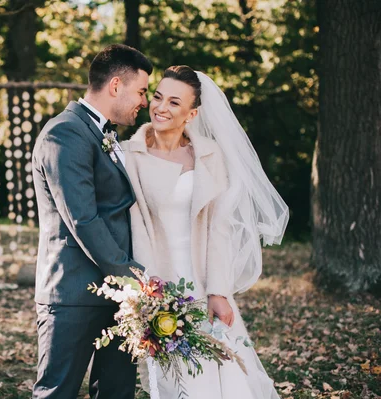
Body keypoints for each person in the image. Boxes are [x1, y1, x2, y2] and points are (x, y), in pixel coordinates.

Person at [121, 65, 289, 398]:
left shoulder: (210, 155)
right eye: (156, 97)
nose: (160, 108)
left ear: (192, 113)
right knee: (177, 380)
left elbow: (219, 227)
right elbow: (133, 227)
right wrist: (146, 293)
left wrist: (219, 291)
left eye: (173, 102)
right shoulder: (129, 155)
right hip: (159, 283)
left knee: (224, 371)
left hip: (204, 280)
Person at [31, 44, 153, 399]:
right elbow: (82, 218)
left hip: (117, 296)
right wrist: (135, 278)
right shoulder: (64, 133)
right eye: (142, 91)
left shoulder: (105, 134)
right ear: (116, 85)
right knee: (57, 392)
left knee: (116, 393)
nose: (144, 102)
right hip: (73, 293)